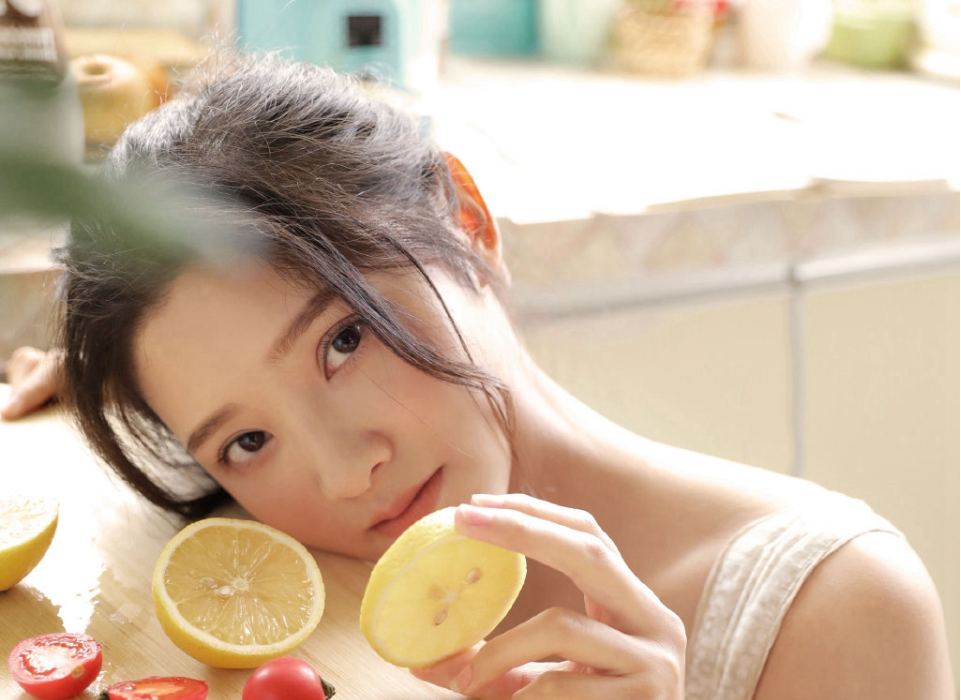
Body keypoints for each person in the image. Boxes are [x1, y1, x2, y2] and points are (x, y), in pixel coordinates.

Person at [0, 53, 954, 699]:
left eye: (343, 341)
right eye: (247, 439)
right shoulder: (284, 561)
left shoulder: (835, 611)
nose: (346, 473)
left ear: (464, 220)